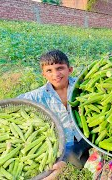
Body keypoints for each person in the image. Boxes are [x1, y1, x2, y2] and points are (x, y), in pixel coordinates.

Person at [17, 50, 91, 179]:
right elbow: (15, 102)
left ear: (70, 69)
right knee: (51, 170)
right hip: (64, 144)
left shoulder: (83, 86)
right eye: (49, 71)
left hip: (87, 138)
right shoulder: (39, 95)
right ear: (43, 74)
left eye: (60, 68)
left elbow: (103, 78)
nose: (55, 74)